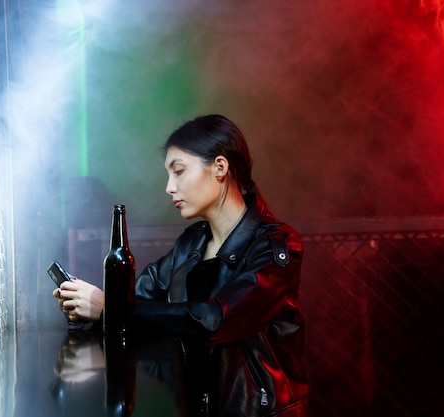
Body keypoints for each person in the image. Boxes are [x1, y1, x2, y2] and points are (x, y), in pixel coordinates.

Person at [54, 114, 310, 416]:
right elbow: (136, 299)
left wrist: (110, 308)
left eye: (178, 172)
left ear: (219, 168)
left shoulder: (276, 246)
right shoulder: (191, 245)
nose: (169, 187)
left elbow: (217, 319)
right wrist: (85, 304)